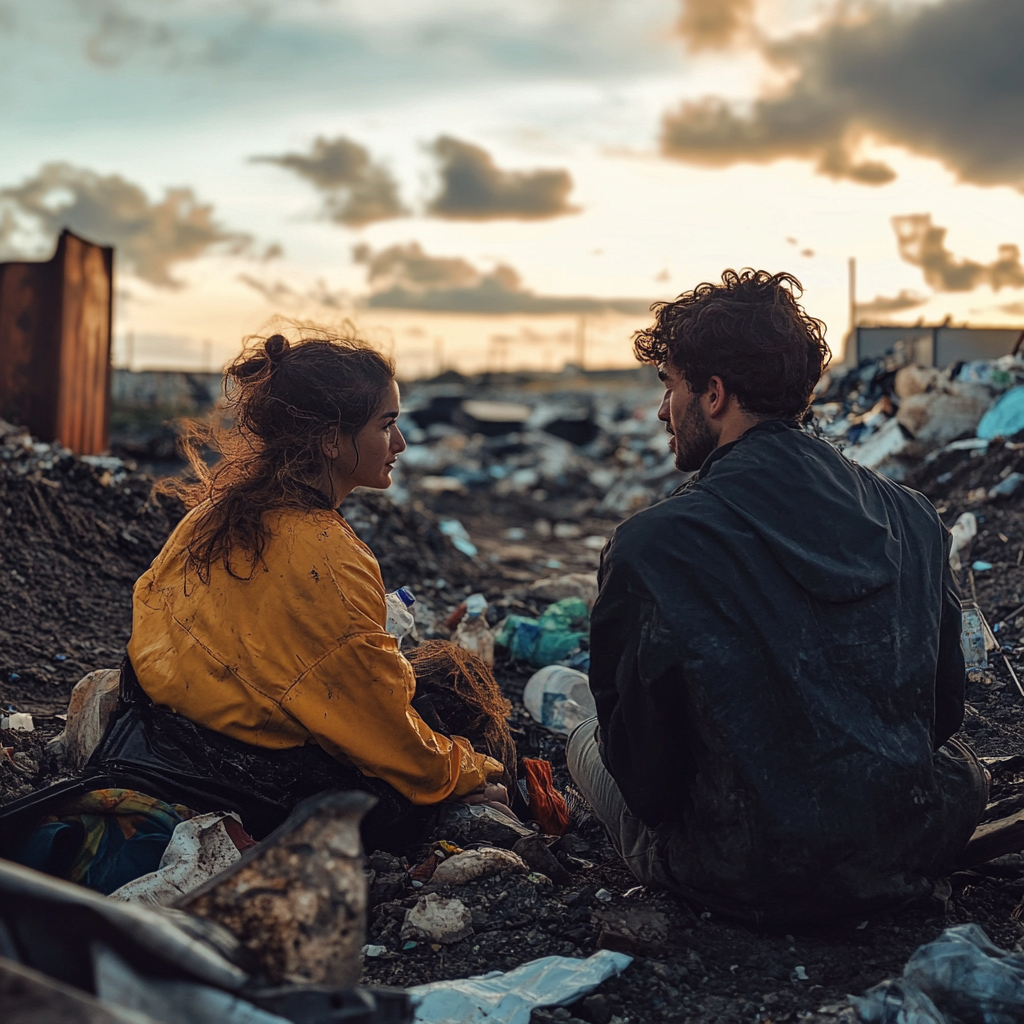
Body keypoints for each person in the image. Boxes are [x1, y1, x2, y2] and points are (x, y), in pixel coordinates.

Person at [567, 269, 988, 924]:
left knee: (583, 739)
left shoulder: (651, 545)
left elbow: (647, 787)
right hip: (902, 846)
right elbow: (942, 716)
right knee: (963, 766)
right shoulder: (914, 517)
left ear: (712, 394)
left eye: (668, 386)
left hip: (736, 870)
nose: (661, 411)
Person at [87, 331, 512, 852]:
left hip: (163, 737)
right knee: (456, 686)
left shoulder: (212, 516)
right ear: (331, 440)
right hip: (256, 781)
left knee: (427, 677)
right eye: (387, 425)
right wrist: (472, 772)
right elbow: (379, 727)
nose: (400, 444)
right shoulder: (328, 556)